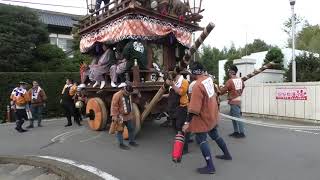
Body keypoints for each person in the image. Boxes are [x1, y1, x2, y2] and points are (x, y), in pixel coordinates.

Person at [182, 62, 232, 174]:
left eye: (191, 71)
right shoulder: (208, 80)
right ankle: (227, 154)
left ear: (195, 72)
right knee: (215, 135)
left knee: (201, 140)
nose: (190, 73)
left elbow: (194, 109)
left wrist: (186, 123)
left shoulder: (197, 86)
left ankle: (210, 166)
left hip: (203, 117)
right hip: (212, 114)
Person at [166, 66, 190, 153]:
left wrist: (172, 84)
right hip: (173, 108)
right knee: (176, 127)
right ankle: (181, 143)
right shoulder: (175, 81)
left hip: (181, 107)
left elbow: (181, 92)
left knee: (181, 128)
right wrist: (162, 96)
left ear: (176, 72)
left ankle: (185, 148)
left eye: (171, 72)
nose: (170, 74)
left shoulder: (184, 81)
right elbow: (172, 93)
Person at [110, 82, 139, 150]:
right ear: (123, 89)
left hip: (128, 115)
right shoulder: (117, 95)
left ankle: (131, 141)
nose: (129, 94)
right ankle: (121, 144)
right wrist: (114, 116)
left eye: (129, 93)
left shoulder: (128, 94)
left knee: (131, 128)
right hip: (120, 116)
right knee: (120, 130)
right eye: (128, 93)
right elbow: (114, 106)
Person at [220, 65, 246, 138]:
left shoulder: (230, 81)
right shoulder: (240, 80)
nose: (228, 72)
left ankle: (241, 133)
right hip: (238, 99)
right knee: (234, 117)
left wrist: (219, 91)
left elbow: (223, 90)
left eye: (229, 71)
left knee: (237, 117)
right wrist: (239, 93)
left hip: (233, 101)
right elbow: (243, 86)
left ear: (232, 71)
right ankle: (236, 131)